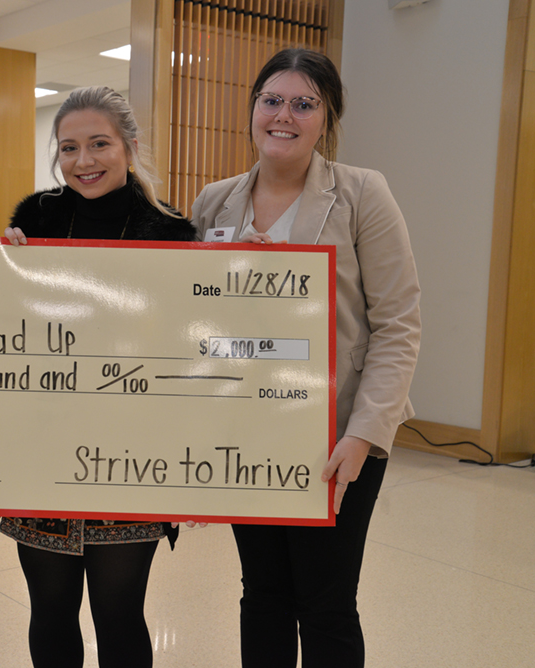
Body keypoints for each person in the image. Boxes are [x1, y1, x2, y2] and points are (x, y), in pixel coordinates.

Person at [190, 49, 421, 667]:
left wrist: (364, 434)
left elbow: (398, 325)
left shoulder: (362, 193)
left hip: (335, 437)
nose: (283, 116)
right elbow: (188, 320)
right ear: (253, 109)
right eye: (271, 100)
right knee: (262, 593)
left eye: (304, 104)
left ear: (327, 118)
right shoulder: (214, 202)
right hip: (247, 435)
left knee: (326, 601)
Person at [2, 86, 196, 668]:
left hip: (134, 451)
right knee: (50, 608)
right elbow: (3, 333)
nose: (83, 160)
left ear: (129, 147)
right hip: (41, 445)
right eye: (69, 148)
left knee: (119, 612)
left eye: (99, 144)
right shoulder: (34, 220)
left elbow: (190, 346)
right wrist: (1, 271)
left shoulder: (172, 231)